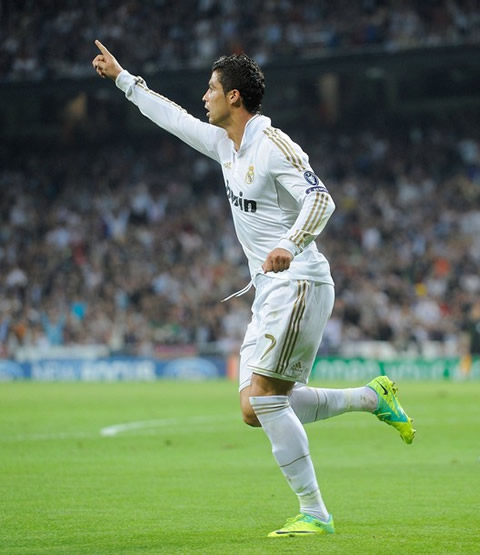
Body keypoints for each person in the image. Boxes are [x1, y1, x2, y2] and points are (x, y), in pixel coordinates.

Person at [92, 40, 415, 538]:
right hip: (271, 292)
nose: (204, 96)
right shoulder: (227, 145)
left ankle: (315, 513)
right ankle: (372, 398)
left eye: (212, 88)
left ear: (235, 97)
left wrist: (290, 241)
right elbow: (174, 118)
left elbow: (322, 201)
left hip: (300, 282)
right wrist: (122, 78)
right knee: (253, 408)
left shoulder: (273, 147)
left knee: (267, 399)